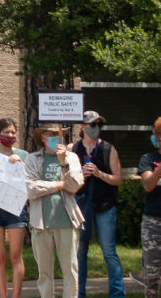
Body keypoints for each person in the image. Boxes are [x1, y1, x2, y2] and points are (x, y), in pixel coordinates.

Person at [26, 124, 83, 298]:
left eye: (59, 134)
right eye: (51, 134)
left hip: (67, 221)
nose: (56, 137)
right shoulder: (32, 159)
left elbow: (74, 186)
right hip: (40, 222)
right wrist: (58, 185)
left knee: (70, 271)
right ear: (42, 137)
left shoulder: (71, 158)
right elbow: (30, 189)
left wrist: (63, 163)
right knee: (44, 273)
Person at [73, 110, 126, 298]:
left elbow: (118, 179)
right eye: (92, 124)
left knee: (109, 251)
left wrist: (99, 173)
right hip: (80, 206)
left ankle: (118, 294)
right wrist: (81, 174)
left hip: (105, 206)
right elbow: (66, 179)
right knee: (80, 252)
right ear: (83, 127)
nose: (96, 128)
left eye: (99, 125)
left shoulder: (108, 149)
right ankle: (79, 293)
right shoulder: (73, 149)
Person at [0, 118, 30, 298]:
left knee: (15, 256)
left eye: (13, 132)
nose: (10, 135)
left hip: (15, 209)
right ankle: (3, 295)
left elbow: (31, 179)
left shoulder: (23, 155)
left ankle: (15, 296)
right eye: (6, 132)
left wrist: (21, 164)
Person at [136, 115, 160, 298]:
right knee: (152, 276)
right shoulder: (148, 159)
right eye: (158, 134)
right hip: (153, 222)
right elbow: (148, 185)